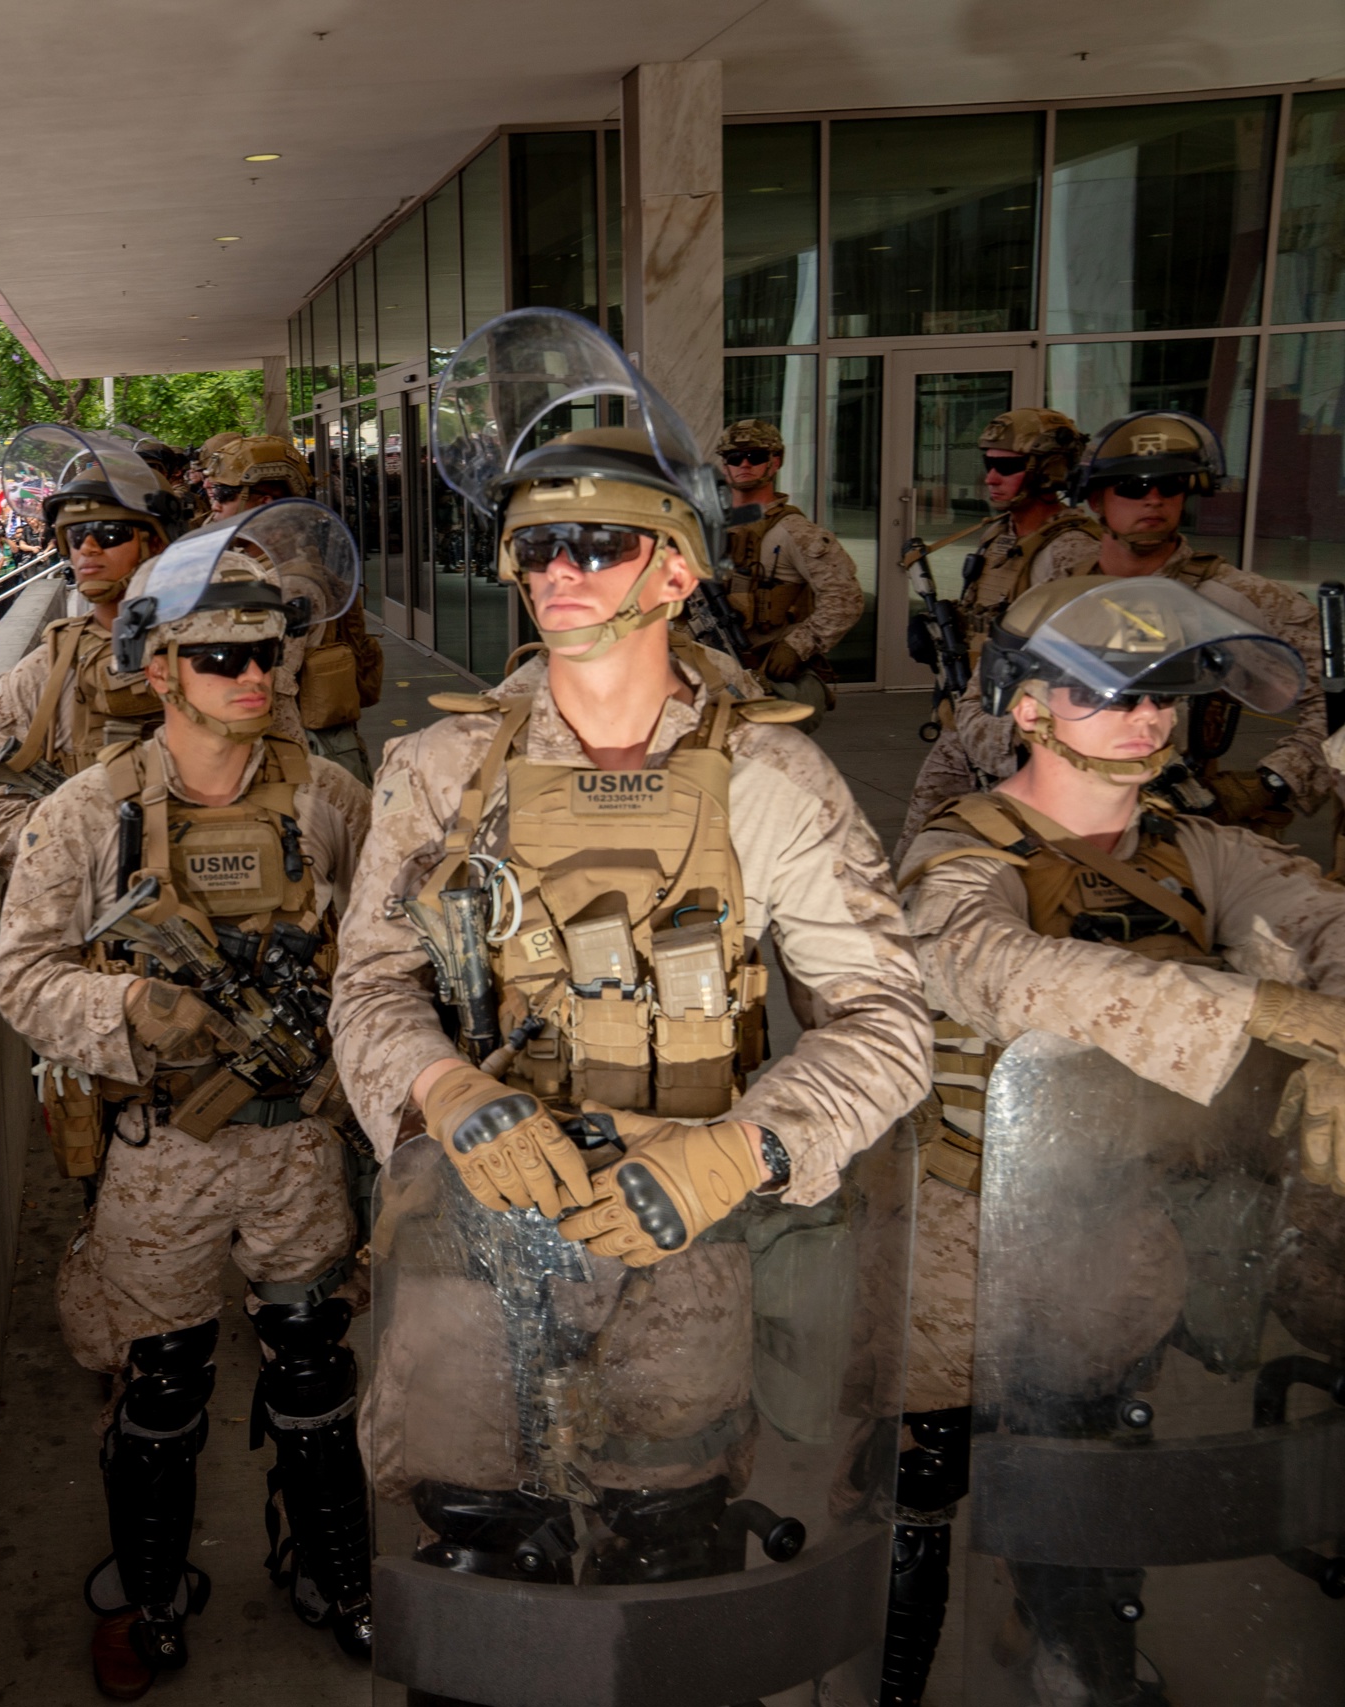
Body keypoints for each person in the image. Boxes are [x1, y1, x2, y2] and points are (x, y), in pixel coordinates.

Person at [327, 313, 928, 1700]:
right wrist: (444, 1089)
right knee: (479, 1585)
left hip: (687, 1252)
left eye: (596, 542)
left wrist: (747, 1144)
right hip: (474, 1251)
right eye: (538, 543)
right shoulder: (439, 770)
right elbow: (370, 987)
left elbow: (889, 1019)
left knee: (667, 1578)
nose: (559, 570)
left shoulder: (771, 783)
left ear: (677, 565)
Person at [890, 575, 1345, 1705]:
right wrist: (1261, 1017)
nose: (1147, 719)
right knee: (922, 1486)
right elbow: (995, 968)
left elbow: (1321, 921)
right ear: (1029, 711)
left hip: (1116, 1239)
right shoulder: (958, 852)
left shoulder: (1193, 848)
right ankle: (899, 1672)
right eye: (1106, 693)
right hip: (963, 1245)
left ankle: (1075, 1653)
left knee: (1101, 1463)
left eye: (1164, 696)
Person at [0, 523, 375, 1695]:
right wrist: (136, 1014)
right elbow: (25, 977)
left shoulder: (329, 801)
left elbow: (384, 963)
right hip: (163, 1147)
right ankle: (153, 1596)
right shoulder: (87, 814)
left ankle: (336, 1575)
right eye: (219, 659)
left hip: (299, 1142)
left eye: (266, 653)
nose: (252, 676)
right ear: (159, 671)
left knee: (311, 1372)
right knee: (161, 1385)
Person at [927, 411, 1328, 845]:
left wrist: (1273, 781)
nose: (1153, 499)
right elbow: (981, 700)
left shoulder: (1233, 598)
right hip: (1050, 816)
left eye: (1170, 486)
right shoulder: (1059, 591)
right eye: (1132, 487)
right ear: (1096, 501)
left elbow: (1336, 699)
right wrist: (1026, 751)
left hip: (1172, 826)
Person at [893, 409, 1101, 862]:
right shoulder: (1001, 537)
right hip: (970, 722)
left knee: (1033, 859)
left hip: (1024, 737)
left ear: (1048, 470)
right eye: (988, 463)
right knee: (919, 847)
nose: (990, 477)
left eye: (1007, 466)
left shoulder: (1072, 551)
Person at [0, 431, 181, 883]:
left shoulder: (221, 660)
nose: (88, 549)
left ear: (157, 542)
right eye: (77, 535)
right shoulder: (32, 682)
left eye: (109, 533)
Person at [200, 434, 387, 781]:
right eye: (211, 493)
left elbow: (275, 687)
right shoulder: (263, 564)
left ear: (264, 503)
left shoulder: (291, 583)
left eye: (223, 495)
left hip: (305, 754)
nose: (214, 505)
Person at [706, 418, 867, 717]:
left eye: (755, 457)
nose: (744, 464)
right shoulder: (712, 526)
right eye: (734, 458)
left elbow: (845, 599)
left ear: (775, 461)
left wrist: (797, 645)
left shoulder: (795, 532)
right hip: (710, 671)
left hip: (764, 672)